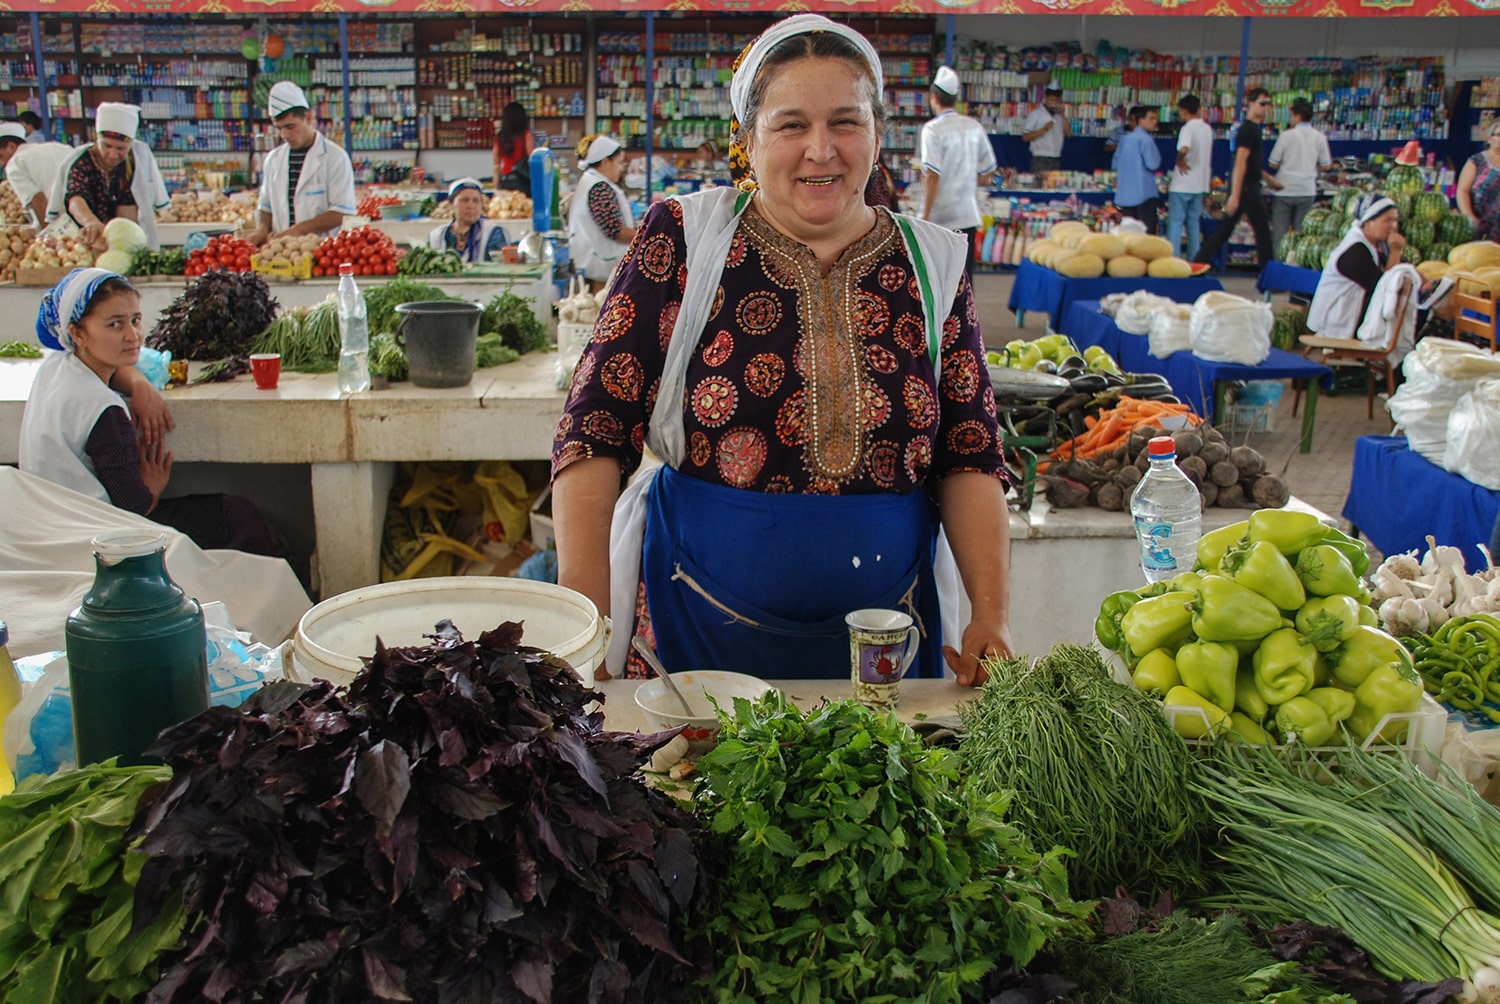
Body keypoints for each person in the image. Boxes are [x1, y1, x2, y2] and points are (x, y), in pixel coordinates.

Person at [550, 15, 1012, 689]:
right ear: (749, 139)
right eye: (791, 124)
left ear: (879, 135)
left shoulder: (933, 260)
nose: (820, 150)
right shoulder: (684, 237)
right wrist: (587, 620)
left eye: (846, 123)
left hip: (889, 638)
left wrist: (991, 615)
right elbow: (594, 427)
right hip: (696, 626)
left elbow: (969, 451)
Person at [20, 269, 283, 558]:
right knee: (238, 515)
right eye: (114, 325)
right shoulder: (103, 409)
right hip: (100, 541)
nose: (132, 336)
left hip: (46, 526)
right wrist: (153, 488)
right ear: (77, 333)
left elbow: (113, 367)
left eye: (135, 320)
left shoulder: (55, 367)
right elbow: (134, 507)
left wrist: (138, 383)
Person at [247, 82, 356, 248]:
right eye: (279, 128)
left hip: (323, 251)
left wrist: (299, 230)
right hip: (282, 251)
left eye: (290, 127)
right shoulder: (273, 160)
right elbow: (266, 205)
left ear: (309, 118)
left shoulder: (335, 157)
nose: (285, 134)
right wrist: (262, 228)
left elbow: (342, 211)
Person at [47, 103, 169, 251]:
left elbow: (127, 212)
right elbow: (75, 199)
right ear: (97, 139)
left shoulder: (131, 166)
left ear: (130, 144)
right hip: (82, 241)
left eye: (120, 148)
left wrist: (122, 242)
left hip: (112, 241)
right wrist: (91, 222)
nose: (112, 154)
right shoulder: (83, 162)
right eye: (107, 146)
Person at [919, 65, 997, 275]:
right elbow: (989, 172)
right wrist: (967, 180)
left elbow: (933, 176)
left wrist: (923, 218)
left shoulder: (932, 130)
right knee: (964, 281)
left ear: (933, 97)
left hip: (939, 220)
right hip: (967, 216)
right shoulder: (974, 127)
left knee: (937, 281)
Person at [1307, 195, 1407, 340]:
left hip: (1351, 312)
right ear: (1368, 222)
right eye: (1388, 220)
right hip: (1335, 321)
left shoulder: (1377, 244)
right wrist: (1396, 251)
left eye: (1395, 220)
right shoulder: (1355, 250)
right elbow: (1383, 288)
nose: (1393, 226)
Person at [1194, 88, 1273, 270]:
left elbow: (1251, 163)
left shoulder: (1252, 129)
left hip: (1245, 187)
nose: (1265, 108)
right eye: (1262, 103)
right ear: (1251, 104)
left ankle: (1197, 263)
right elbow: (1240, 162)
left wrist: (1270, 180)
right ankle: (1269, 275)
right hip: (1246, 189)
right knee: (1262, 231)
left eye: (1267, 104)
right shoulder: (1247, 130)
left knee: (1224, 231)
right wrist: (1235, 195)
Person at [566, 134, 635, 291]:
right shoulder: (599, 188)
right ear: (605, 162)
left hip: (595, 266)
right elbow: (615, 231)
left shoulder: (591, 181)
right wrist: (645, 235)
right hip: (599, 271)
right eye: (619, 163)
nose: (621, 168)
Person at [1267, 98, 1332, 251]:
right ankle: (1296, 266)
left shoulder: (1286, 136)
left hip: (1284, 189)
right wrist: (1312, 167)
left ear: (1296, 116)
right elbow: (1327, 165)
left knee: (1280, 233)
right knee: (1301, 235)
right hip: (1307, 189)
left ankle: (1279, 266)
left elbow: (1272, 162)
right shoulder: (1319, 137)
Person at [1166, 94, 1213, 261]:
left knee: (1176, 223)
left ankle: (1174, 259)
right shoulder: (1206, 129)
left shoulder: (1188, 128)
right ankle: (1195, 261)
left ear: (1183, 110)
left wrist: (1179, 161)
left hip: (1183, 184)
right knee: (1193, 224)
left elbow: (1184, 148)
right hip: (1199, 184)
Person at [3, 123, 74, 226]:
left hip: (61, 225)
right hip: (86, 219)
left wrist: (50, 234)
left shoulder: (15, 163)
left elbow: (38, 200)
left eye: (1, 156)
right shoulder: (60, 147)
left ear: (11, 146)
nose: (2, 162)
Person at [428, 177, 506, 264]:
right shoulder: (437, 236)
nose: (471, 206)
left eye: (475, 201)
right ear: (451, 204)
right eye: (465, 200)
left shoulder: (492, 232)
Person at [1112, 105, 1162, 234]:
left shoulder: (1125, 140)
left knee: (1129, 234)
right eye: (1151, 118)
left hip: (1126, 194)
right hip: (1144, 193)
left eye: (1155, 118)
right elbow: (1153, 164)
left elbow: (1115, 164)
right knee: (1146, 235)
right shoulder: (1146, 140)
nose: (1154, 122)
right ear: (1141, 120)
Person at [1458, 118, 1500, 244]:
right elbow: (1462, 190)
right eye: (1499, 135)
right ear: (1489, 138)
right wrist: (1468, 215)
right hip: (1479, 225)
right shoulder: (1477, 161)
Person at [1021, 85, 1069, 174]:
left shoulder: (1059, 116)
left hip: (1056, 157)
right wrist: (1044, 129)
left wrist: (1063, 116)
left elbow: (1069, 134)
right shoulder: (1036, 114)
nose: (1053, 103)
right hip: (1040, 157)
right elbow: (1025, 137)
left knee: (1053, 185)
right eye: (1051, 100)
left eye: (1056, 100)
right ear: (1045, 98)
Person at [492, 101, 535, 194]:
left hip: (506, 181)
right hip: (523, 182)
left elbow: (496, 167)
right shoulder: (526, 135)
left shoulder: (500, 137)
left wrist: (495, 189)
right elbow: (533, 160)